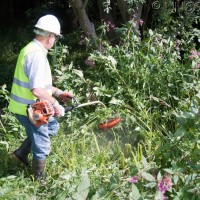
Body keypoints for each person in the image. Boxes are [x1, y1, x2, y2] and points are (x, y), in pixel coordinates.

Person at [8, 14, 73, 181]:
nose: (55, 41)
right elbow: (37, 90)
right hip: (29, 109)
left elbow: (41, 84)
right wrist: (56, 104)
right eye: (56, 37)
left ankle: (21, 154)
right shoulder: (36, 55)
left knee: (52, 127)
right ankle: (39, 181)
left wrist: (58, 93)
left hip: (26, 106)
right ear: (50, 36)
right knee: (42, 142)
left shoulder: (32, 49)